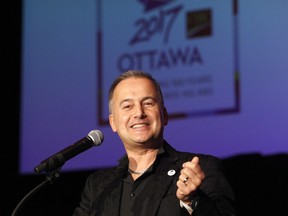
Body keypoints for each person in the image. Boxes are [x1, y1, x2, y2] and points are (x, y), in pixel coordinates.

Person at [73, 70, 237, 216]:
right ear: (113, 122)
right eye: (127, 106)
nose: (139, 113)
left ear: (164, 115)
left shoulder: (199, 169)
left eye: (148, 103)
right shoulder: (98, 186)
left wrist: (193, 201)